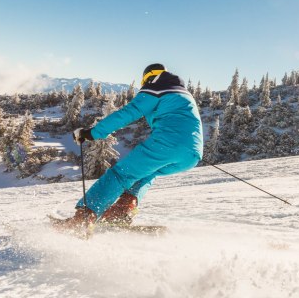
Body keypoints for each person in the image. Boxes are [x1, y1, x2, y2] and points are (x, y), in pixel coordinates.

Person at [54, 63, 203, 231]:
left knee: (120, 175)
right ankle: (120, 213)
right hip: (192, 154)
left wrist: (92, 133)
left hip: (167, 144)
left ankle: (82, 219)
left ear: (147, 77)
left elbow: (128, 113)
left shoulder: (156, 86)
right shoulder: (182, 92)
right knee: (146, 173)